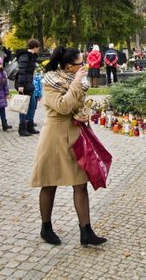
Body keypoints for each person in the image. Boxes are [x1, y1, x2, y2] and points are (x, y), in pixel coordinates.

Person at [31, 46, 107, 246]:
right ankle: (46, 227)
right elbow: (63, 106)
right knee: (49, 183)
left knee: (80, 184)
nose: (84, 66)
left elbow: (76, 104)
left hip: (75, 135)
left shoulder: (77, 81)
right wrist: (75, 83)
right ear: (68, 67)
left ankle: (86, 231)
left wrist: (85, 112)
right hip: (54, 137)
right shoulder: (51, 82)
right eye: (80, 63)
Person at [15, 39, 41, 137]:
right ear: (35, 47)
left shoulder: (32, 56)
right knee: (23, 106)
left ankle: (30, 125)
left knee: (32, 105)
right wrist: (21, 85)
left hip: (29, 83)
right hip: (23, 84)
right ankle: (22, 128)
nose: (38, 50)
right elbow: (22, 71)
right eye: (38, 48)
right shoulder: (25, 56)